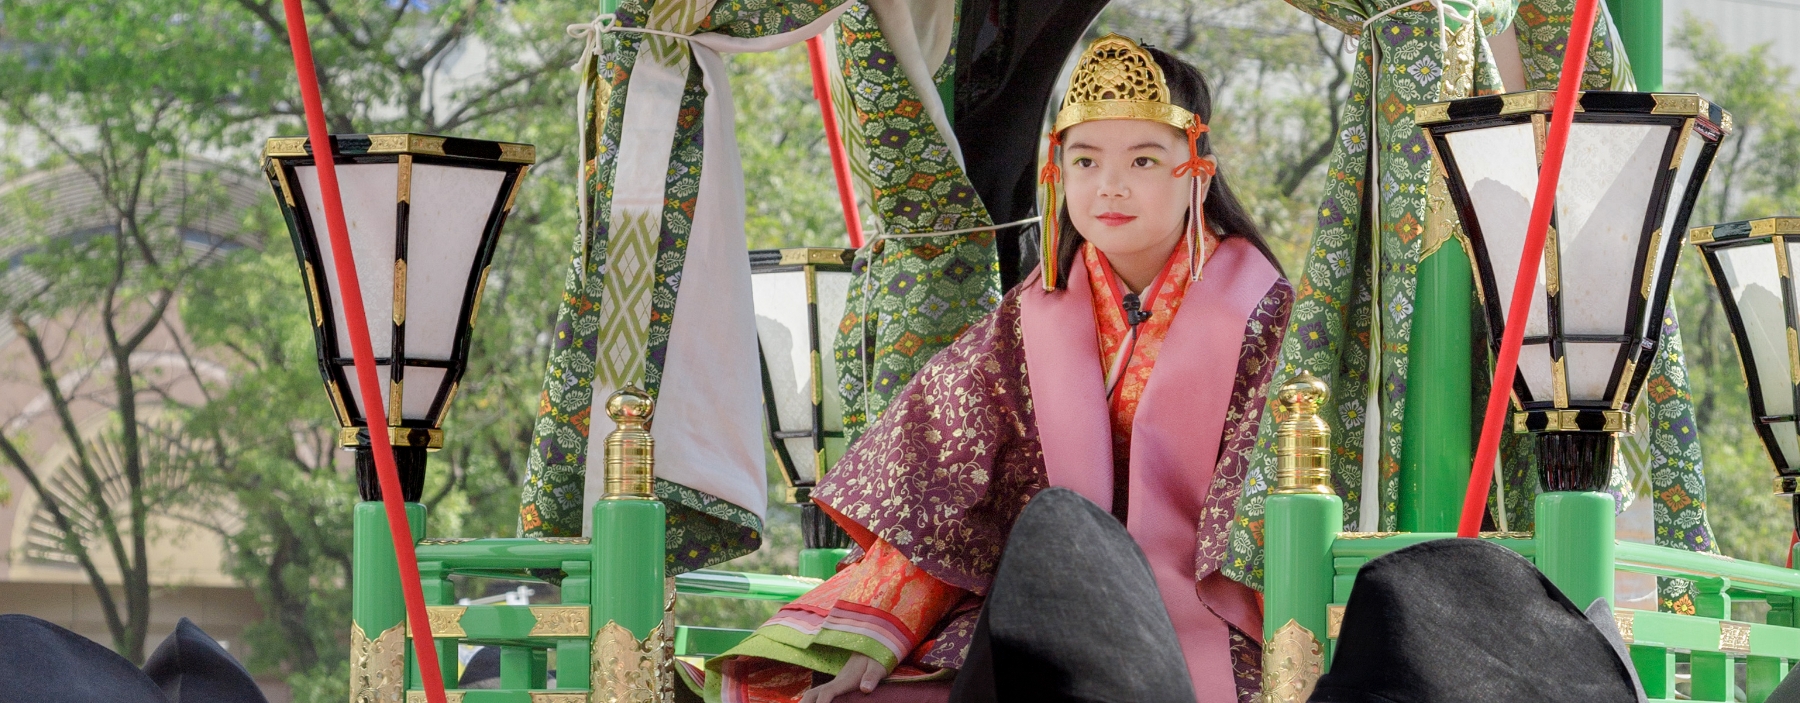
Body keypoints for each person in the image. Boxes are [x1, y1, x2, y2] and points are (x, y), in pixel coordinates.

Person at [702, 34, 1293, 703]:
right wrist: (878, 634)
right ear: (1058, 173)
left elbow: (1274, 517)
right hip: (1030, 609)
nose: (1111, 186)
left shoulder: (1262, 316)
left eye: (1145, 159)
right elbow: (941, 486)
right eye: (1087, 160)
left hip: (1204, 618)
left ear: (1198, 172)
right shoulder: (1026, 320)